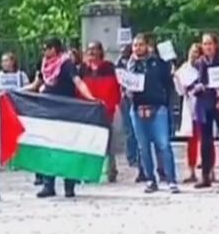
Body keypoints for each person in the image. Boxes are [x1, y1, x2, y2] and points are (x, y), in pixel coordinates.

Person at [27, 38, 96, 199]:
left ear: (55, 49)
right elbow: (35, 85)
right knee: (48, 147)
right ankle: (48, 184)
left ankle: (69, 185)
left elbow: (78, 82)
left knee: (67, 146)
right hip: (47, 110)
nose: (44, 51)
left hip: (66, 111)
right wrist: (12, 91)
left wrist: (91, 98)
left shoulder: (66, 64)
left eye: (47, 48)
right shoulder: (44, 64)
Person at [123, 34, 178, 194]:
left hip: (157, 108)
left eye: (140, 45)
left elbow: (168, 84)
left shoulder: (159, 63)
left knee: (163, 145)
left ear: (147, 46)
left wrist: (165, 102)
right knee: (143, 147)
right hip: (137, 108)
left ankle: (171, 180)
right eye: (135, 45)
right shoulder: (130, 65)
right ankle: (150, 180)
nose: (137, 48)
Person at [186, 32, 219, 189]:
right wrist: (195, 87)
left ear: (216, 45)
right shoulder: (199, 63)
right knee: (205, 141)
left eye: (210, 43)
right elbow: (191, 82)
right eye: (205, 44)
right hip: (204, 104)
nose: (207, 47)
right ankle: (205, 175)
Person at [81, 42, 123, 182]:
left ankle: (111, 170)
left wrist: (109, 105)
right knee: (88, 142)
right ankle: (90, 171)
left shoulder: (109, 68)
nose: (91, 52)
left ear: (100, 51)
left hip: (104, 109)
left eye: (94, 49)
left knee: (107, 141)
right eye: (89, 49)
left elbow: (114, 88)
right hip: (87, 110)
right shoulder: (83, 69)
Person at [174, 43, 204, 184]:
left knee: (206, 139)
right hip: (190, 107)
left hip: (203, 107)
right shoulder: (183, 70)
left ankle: (209, 170)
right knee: (192, 142)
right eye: (193, 52)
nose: (195, 55)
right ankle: (191, 171)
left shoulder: (205, 67)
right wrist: (176, 80)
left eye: (198, 53)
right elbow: (180, 92)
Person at [113, 44, 142, 180]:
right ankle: (131, 157)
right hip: (124, 98)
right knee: (128, 129)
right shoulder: (118, 64)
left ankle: (138, 158)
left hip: (136, 98)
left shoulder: (137, 62)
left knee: (137, 130)